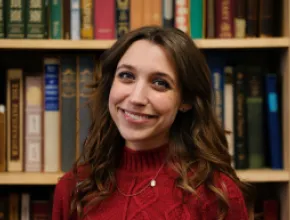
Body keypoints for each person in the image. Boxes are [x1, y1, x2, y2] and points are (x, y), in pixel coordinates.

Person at [52, 26, 253, 220]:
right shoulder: (74, 187)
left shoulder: (218, 194)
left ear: (186, 101)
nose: (136, 98)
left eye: (160, 83)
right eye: (126, 76)